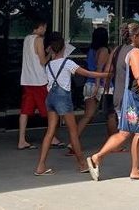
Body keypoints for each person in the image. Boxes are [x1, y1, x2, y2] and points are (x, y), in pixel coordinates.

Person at [87, 22, 139, 181]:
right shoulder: (136, 53)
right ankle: (131, 168)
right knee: (137, 133)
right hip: (133, 99)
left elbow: (108, 72)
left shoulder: (117, 50)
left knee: (128, 132)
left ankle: (101, 159)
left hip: (119, 97)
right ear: (134, 36)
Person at [34, 32, 109, 176]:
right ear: (63, 48)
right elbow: (87, 74)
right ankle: (82, 164)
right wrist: (105, 75)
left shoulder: (49, 64)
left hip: (50, 98)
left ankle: (41, 166)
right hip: (63, 98)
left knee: (50, 131)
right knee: (73, 132)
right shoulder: (67, 63)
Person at [18, 20, 63, 150]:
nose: (45, 31)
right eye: (45, 28)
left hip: (27, 79)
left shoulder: (27, 39)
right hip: (39, 80)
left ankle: (22, 140)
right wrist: (49, 52)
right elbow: (43, 61)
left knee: (25, 111)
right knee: (49, 110)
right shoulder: (38, 39)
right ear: (41, 27)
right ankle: (52, 137)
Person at [70, 27, 110, 153]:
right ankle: (115, 142)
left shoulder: (91, 50)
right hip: (99, 84)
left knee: (87, 116)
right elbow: (99, 69)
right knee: (110, 114)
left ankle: (73, 142)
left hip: (89, 83)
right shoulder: (103, 50)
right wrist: (98, 85)